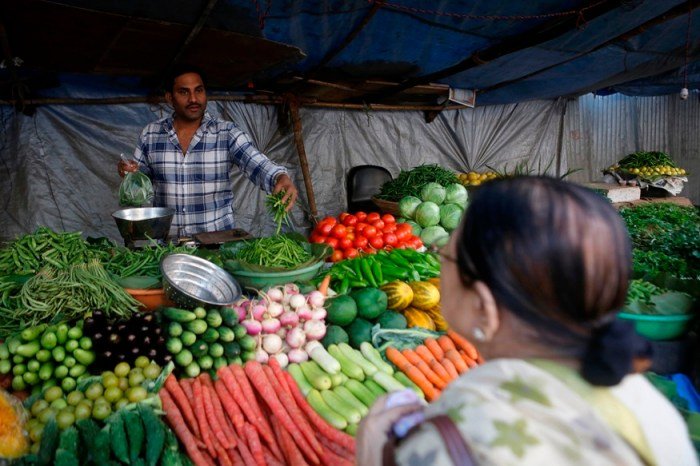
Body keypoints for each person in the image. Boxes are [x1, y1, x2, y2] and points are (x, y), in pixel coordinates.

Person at [357, 176, 698, 466]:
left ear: (484, 307)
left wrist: (374, 451)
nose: (439, 264)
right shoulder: (651, 407)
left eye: (445, 255)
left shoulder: (458, 436)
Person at [118, 64, 298, 236]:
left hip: (215, 245)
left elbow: (257, 163)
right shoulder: (151, 134)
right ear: (169, 98)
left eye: (199, 90)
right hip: (167, 245)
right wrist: (129, 172)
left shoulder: (226, 133)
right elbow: (139, 181)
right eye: (183, 92)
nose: (193, 99)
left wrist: (279, 177)